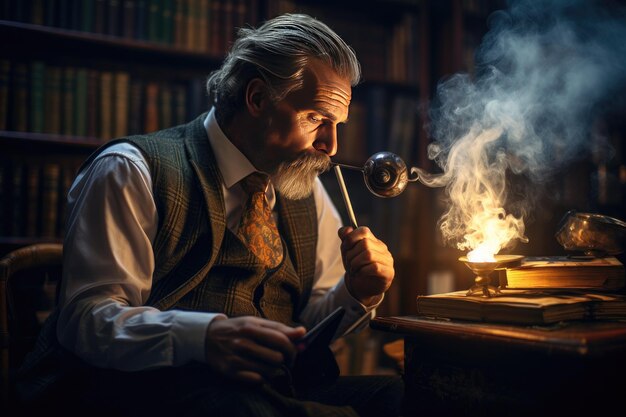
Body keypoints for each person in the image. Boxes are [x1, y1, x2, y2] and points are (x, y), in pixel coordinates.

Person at [17, 13, 403, 417]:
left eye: (337, 124)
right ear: (256, 99)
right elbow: (87, 320)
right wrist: (202, 337)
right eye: (315, 119)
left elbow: (309, 322)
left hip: (267, 389)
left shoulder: (304, 185)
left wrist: (357, 291)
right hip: (142, 392)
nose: (332, 145)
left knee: (400, 396)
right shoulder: (131, 169)